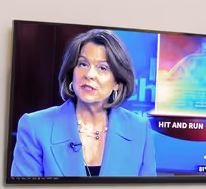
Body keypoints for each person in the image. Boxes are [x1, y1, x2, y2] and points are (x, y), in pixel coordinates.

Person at [10, 29, 158, 178]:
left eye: (102, 68)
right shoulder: (35, 127)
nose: (89, 74)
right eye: (82, 64)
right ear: (72, 72)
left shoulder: (139, 129)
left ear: (117, 83)